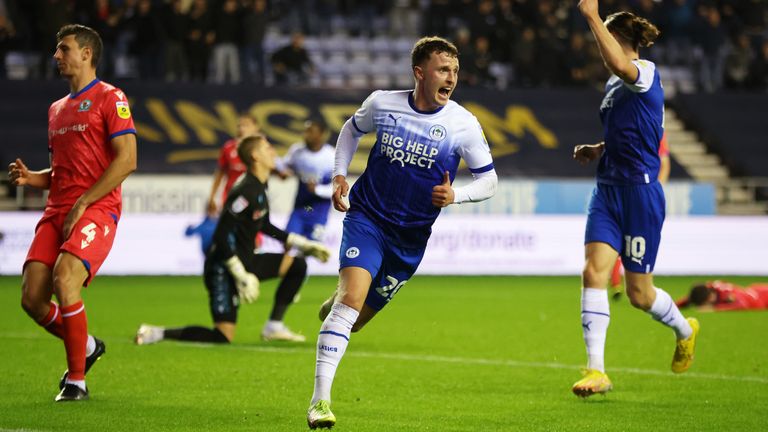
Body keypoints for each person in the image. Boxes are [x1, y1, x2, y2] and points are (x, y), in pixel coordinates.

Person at [306, 36, 498, 429]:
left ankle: (338, 307)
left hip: (409, 239)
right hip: (368, 218)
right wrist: (340, 174)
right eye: (444, 70)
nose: (451, 78)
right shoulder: (383, 103)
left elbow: (490, 180)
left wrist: (456, 195)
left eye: (456, 72)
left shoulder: (462, 123)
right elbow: (349, 130)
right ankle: (319, 403)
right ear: (420, 72)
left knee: (352, 318)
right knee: (351, 301)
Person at [570, 1, 699, 399]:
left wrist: (592, 15)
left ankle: (684, 329)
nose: (598, 46)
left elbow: (622, 67)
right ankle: (597, 370)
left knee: (639, 295)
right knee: (593, 273)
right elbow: (632, 131)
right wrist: (599, 148)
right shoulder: (615, 86)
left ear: (618, 39)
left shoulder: (644, 72)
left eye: (603, 38)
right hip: (608, 189)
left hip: (641, 194)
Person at [8, 24, 137, 402]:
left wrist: (84, 201)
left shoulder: (111, 98)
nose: (56, 56)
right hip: (57, 210)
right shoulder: (56, 109)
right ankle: (88, 345)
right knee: (32, 298)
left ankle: (76, 381)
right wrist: (34, 178)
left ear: (86, 53)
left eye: (63, 49)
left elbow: (127, 160)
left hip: (97, 209)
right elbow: (65, 172)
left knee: (65, 280)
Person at [135, 135, 332, 345]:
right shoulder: (245, 190)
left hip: (246, 260)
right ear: (255, 156)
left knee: (297, 265)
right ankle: (156, 333)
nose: (273, 152)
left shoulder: (259, 186)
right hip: (223, 266)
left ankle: (274, 326)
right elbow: (220, 235)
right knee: (222, 337)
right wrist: (240, 275)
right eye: (267, 148)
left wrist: (302, 243)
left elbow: (263, 225)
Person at [609, 131, 670, 297]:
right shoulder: (625, 128)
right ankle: (616, 281)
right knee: (622, 237)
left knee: (636, 239)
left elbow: (664, 164)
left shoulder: (656, 133)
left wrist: (657, 190)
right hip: (626, 193)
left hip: (645, 195)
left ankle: (636, 282)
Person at [276, 119, 335, 249]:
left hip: (319, 211)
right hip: (300, 207)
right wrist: (282, 171)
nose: (306, 134)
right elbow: (284, 167)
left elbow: (337, 189)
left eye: (311, 131)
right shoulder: (296, 152)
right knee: (288, 243)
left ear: (321, 134)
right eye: (305, 131)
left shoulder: (332, 156)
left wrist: (317, 189)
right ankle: (284, 269)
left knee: (311, 249)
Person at [677, 280, 768, 311]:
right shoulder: (708, 288)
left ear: (709, 299)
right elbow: (690, 298)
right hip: (753, 289)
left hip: (762, 298)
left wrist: (715, 309)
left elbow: (743, 305)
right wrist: (675, 306)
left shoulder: (727, 295)